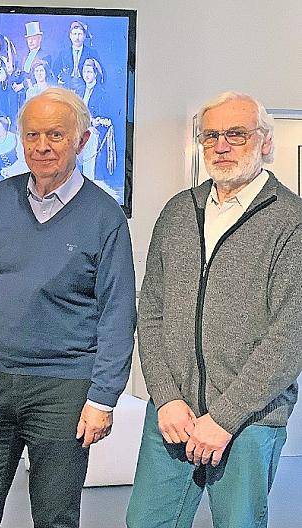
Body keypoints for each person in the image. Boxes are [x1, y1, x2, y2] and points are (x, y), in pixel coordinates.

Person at [0, 87, 135, 528]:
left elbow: (118, 314)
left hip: (63, 388)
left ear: (82, 141)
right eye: (31, 135)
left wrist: (103, 398)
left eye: (55, 135)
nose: (42, 146)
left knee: (55, 517)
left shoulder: (105, 217)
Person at [127, 92, 302, 528]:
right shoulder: (177, 213)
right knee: (145, 522)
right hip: (173, 416)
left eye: (236, 134)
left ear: (265, 143)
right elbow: (151, 313)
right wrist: (165, 398)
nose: (220, 146)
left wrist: (223, 418)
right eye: (210, 136)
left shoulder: (292, 222)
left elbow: (289, 336)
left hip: (247, 420)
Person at [75, 58, 116, 188]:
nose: (86, 75)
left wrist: (96, 121)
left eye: (90, 72)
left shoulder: (102, 94)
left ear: (95, 74)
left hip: (95, 133)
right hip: (78, 130)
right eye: (85, 71)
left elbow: (108, 119)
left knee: (90, 136)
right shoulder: (79, 91)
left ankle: (88, 180)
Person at [53, 20, 101, 93]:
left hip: (85, 87)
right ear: (70, 36)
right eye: (74, 34)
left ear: (84, 36)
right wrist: (59, 83)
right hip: (67, 87)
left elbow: (99, 73)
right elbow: (54, 70)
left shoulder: (91, 53)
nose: (77, 38)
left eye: (80, 34)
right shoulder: (63, 54)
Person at [0, 110, 29, 179]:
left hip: (16, 172)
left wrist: (10, 170)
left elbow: (22, 160)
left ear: (4, 124)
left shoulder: (15, 138)